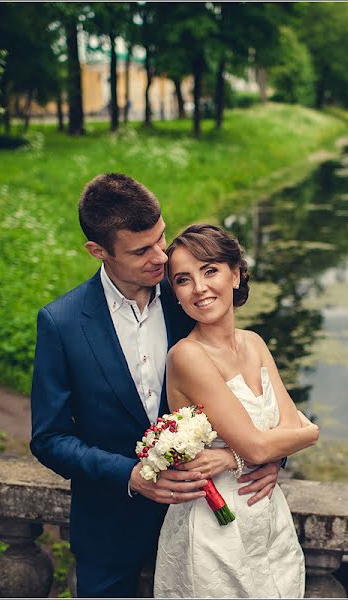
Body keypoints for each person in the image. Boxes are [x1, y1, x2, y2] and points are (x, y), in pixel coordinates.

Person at [30, 174, 281, 598]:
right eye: (141, 250)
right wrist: (130, 475)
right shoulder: (62, 323)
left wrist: (263, 456)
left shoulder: (188, 296)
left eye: (161, 238)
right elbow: (50, 438)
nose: (161, 257)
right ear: (98, 251)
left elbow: (252, 386)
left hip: (204, 522)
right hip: (110, 529)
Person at [154, 224, 320, 598]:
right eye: (183, 279)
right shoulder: (187, 356)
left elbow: (287, 427)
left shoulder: (255, 343)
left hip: (267, 516)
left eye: (209, 270)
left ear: (236, 273)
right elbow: (268, 445)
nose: (199, 288)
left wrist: (249, 454)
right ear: (176, 294)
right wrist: (306, 436)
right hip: (215, 527)